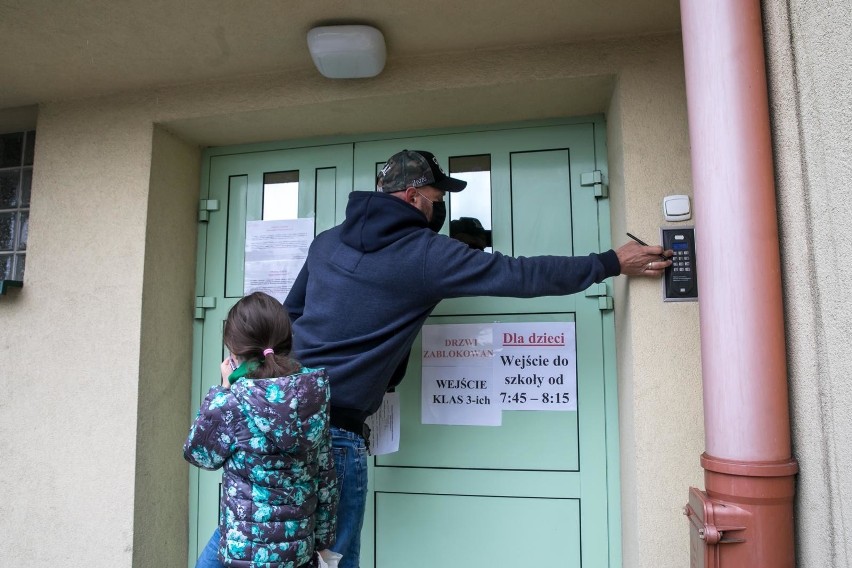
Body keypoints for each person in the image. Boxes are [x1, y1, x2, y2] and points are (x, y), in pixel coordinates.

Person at [282, 149, 673, 568]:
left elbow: (290, 317)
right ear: (413, 197)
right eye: (437, 197)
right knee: (331, 561)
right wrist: (610, 262)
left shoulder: (326, 242)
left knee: (258, 535)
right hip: (335, 432)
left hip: (283, 412)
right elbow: (520, 275)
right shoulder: (427, 254)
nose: (441, 208)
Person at [185, 291, 339, 568]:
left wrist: (222, 390)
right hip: (298, 549)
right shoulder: (313, 396)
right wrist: (322, 542)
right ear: (287, 341)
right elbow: (326, 476)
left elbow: (200, 455)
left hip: (245, 549)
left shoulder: (231, 403)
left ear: (233, 351)